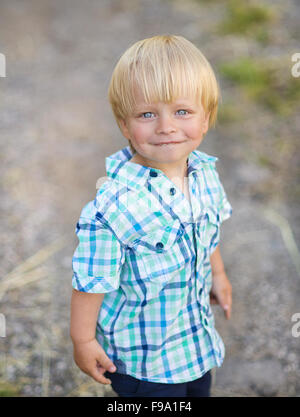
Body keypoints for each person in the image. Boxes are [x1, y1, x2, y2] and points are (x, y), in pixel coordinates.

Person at [70, 34, 233, 397]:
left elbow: (210, 233)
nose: (166, 126)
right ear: (124, 125)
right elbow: (90, 281)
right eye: (147, 114)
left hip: (194, 345)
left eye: (182, 111)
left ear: (205, 119)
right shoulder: (114, 208)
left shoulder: (205, 174)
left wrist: (217, 275)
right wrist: (82, 340)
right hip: (145, 363)